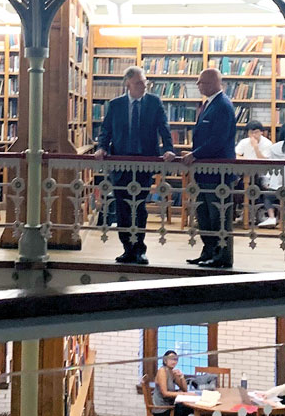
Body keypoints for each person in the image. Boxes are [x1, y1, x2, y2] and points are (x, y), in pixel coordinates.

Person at [95, 66, 176, 265]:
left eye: (145, 82)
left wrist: (169, 148)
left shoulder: (154, 102)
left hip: (144, 163)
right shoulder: (115, 105)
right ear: (128, 83)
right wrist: (101, 148)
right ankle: (127, 249)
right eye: (139, 82)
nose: (144, 85)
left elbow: (164, 128)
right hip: (120, 163)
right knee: (122, 207)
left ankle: (139, 248)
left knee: (139, 207)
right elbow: (106, 130)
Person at [182, 67, 238, 268]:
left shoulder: (223, 106)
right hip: (205, 172)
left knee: (219, 216)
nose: (198, 85)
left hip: (218, 173)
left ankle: (222, 256)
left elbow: (218, 140)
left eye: (202, 82)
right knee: (204, 215)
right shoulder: (209, 104)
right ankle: (208, 251)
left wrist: (195, 154)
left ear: (215, 82)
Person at [259, 123, 285, 228]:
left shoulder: (274, 147)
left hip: (276, 184)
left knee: (267, 196)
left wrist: (266, 181)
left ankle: (271, 217)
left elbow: (269, 165)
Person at [152, 350, 195, 416]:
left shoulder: (172, 372)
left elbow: (184, 389)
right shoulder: (162, 371)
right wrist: (182, 394)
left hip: (170, 406)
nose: (174, 361)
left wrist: (181, 376)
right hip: (162, 410)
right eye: (171, 359)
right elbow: (165, 393)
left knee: (192, 410)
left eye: (175, 359)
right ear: (165, 360)